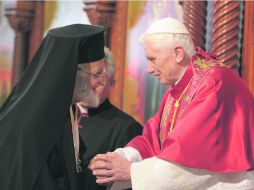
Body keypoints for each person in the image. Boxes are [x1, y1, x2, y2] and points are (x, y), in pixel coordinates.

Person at [90, 18, 254, 189]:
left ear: (178, 54)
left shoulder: (214, 83)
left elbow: (190, 160)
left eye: (153, 59)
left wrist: (133, 172)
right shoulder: (176, 90)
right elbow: (152, 142)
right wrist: (121, 158)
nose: (149, 69)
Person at [0, 24, 105, 190]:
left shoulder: (65, 111)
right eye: (97, 74)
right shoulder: (35, 126)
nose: (102, 81)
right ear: (72, 73)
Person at [76, 47, 143, 190]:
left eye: (98, 78)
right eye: (85, 78)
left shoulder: (127, 127)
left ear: (112, 84)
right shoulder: (61, 118)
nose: (89, 85)